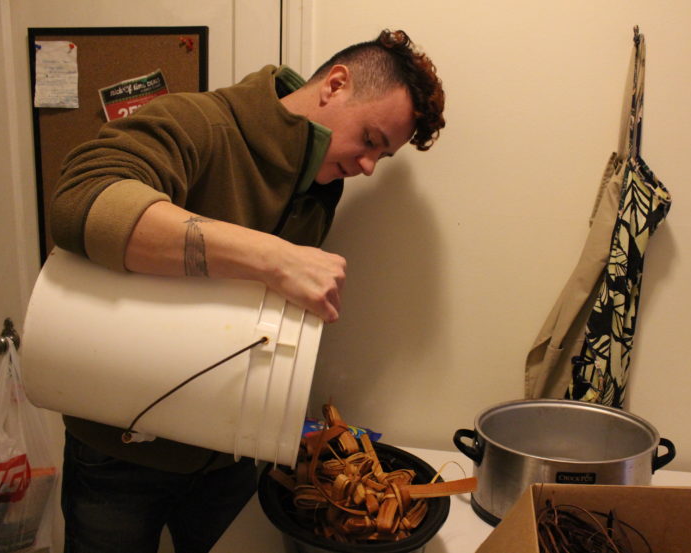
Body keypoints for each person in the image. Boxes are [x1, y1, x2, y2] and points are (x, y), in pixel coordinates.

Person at [49, 29, 445, 553]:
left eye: (383, 156)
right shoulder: (198, 123)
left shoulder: (321, 187)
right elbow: (81, 203)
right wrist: (273, 257)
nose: (369, 167)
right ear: (336, 85)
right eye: (370, 140)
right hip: (119, 451)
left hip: (227, 456)